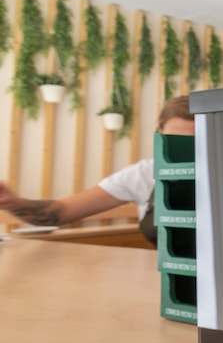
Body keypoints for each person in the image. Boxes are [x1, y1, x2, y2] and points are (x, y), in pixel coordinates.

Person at [0, 96, 194, 244]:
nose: (185, 150)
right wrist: (12, 203)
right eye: (175, 141)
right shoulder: (142, 175)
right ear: (160, 133)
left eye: (195, 142)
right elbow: (59, 213)